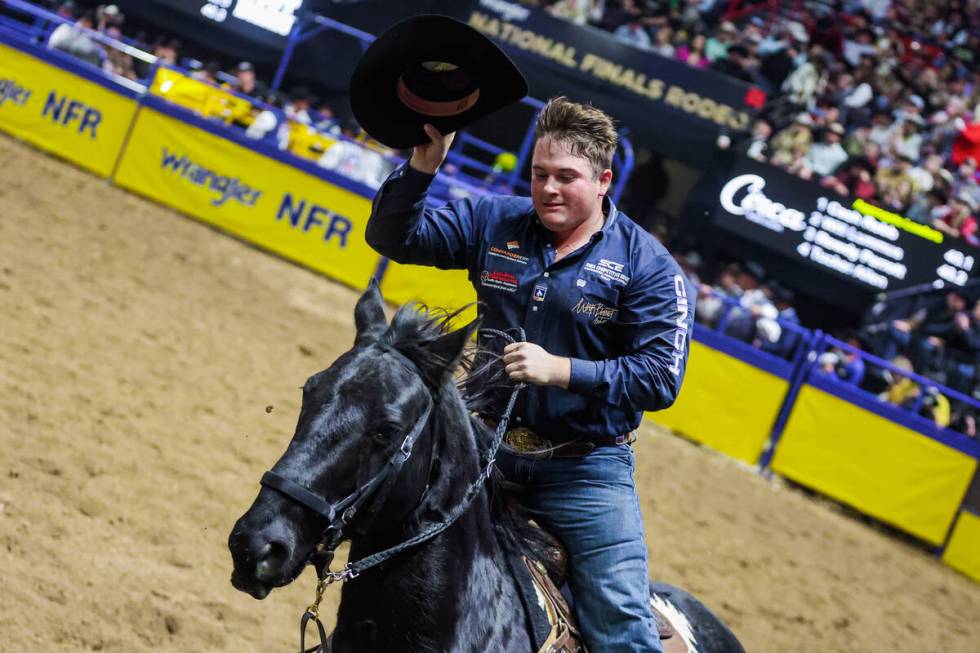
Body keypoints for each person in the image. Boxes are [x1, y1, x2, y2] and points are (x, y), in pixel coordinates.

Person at [365, 97, 693, 653]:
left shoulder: (650, 267)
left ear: (604, 180)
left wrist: (563, 370)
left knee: (620, 625)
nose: (548, 189)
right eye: (540, 174)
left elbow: (660, 377)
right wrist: (423, 166)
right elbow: (394, 238)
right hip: (478, 443)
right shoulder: (495, 220)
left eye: (567, 177)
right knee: (379, 539)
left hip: (585, 470)